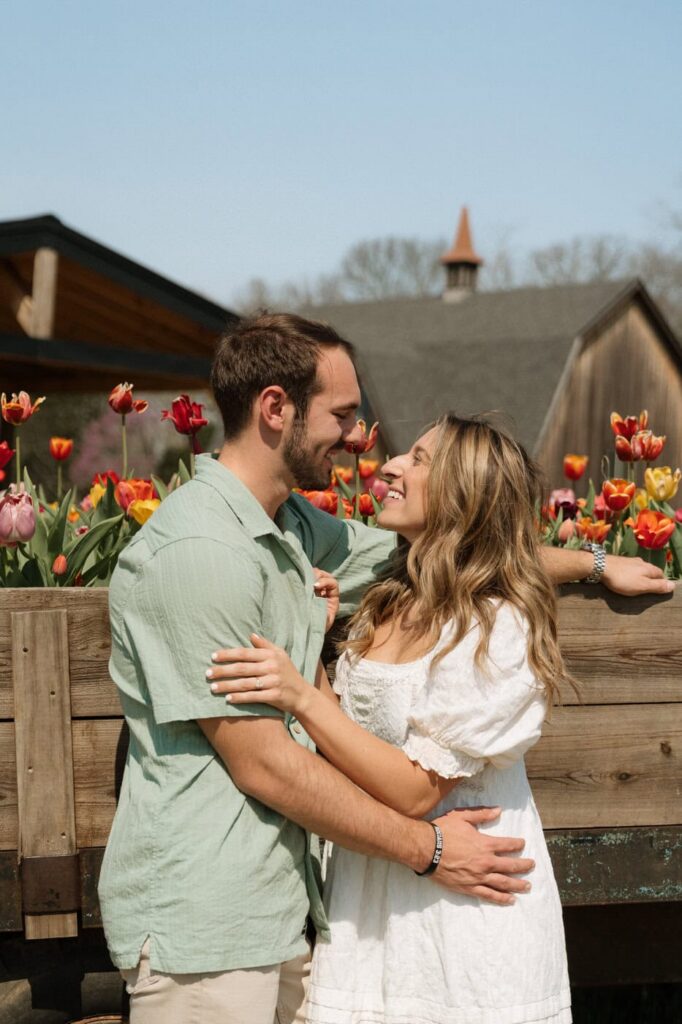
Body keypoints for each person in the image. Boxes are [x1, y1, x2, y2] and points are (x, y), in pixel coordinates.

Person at [98, 313, 671, 1024]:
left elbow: (469, 546)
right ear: (276, 409)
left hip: (297, 911)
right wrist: (429, 849)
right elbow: (264, 764)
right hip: (209, 921)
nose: (357, 437)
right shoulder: (200, 554)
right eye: (341, 414)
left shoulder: (294, 529)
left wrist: (594, 561)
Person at [206, 414, 577, 1023]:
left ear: (464, 494)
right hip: (374, 895)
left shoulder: (496, 628)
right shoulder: (391, 599)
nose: (392, 466)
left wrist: (300, 696)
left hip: (465, 909)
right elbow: (348, 739)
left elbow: (413, 790)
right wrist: (312, 644)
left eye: (420, 460)